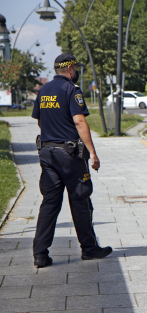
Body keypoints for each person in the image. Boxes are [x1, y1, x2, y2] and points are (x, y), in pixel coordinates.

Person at [31, 53, 112, 268]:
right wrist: (93, 154)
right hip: (69, 156)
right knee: (81, 199)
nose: (77, 72)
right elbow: (79, 121)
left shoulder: (44, 90)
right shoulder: (72, 90)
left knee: (50, 203)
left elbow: (40, 120)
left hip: (47, 153)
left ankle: (40, 254)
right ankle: (89, 248)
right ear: (69, 69)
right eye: (76, 68)